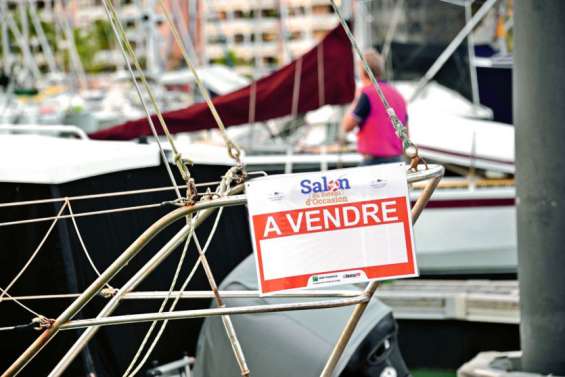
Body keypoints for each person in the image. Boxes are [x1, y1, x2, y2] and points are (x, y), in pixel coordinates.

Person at [340, 49, 408, 166]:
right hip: (398, 161)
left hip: (374, 162)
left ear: (362, 71)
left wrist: (356, 99)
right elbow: (406, 133)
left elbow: (347, 127)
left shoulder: (367, 94)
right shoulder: (398, 95)